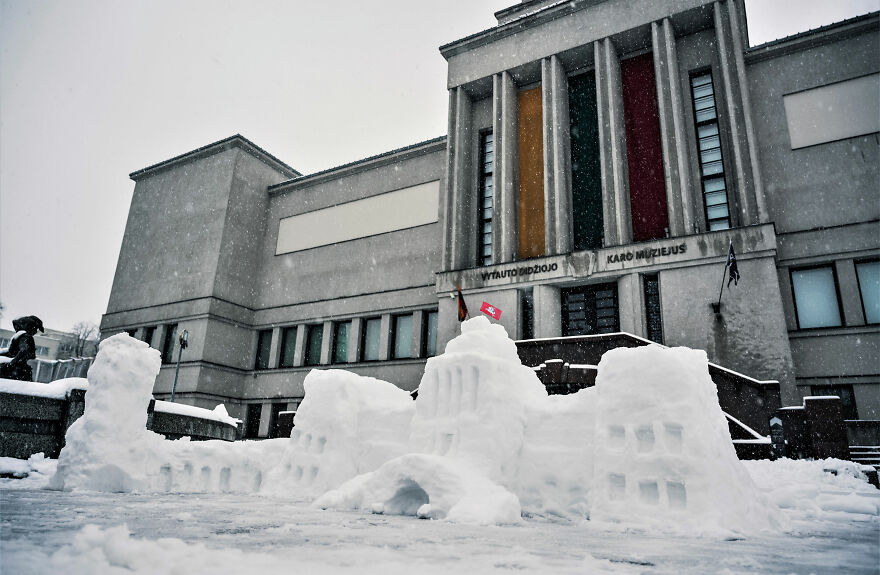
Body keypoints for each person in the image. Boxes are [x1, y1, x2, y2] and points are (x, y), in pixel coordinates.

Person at [0, 315, 44, 381]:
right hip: (17, 372)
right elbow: (24, 350)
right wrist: (11, 364)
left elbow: (14, 351)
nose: (36, 332)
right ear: (31, 327)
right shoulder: (26, 337)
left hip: (15, 371)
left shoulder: (18, 336)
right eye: (36, 329)